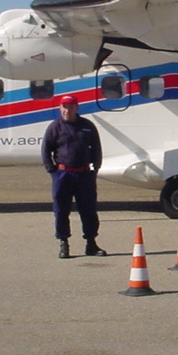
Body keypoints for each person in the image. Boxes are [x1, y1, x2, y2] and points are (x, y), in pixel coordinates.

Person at [41, 95, 107, 259]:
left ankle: (91, 243)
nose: (67, 110)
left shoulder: (87, 126)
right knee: (61, 210)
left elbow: (96, 148)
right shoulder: (55, 127)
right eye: (64, 107)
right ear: (60, 108)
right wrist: (52, 171)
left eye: (70, 107)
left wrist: (95, 169)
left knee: (88, 210)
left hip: (84, 175)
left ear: (77, 108)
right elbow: (46, 150)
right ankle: (64, 243)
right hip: (63, 175)